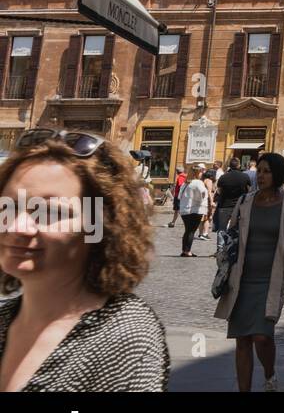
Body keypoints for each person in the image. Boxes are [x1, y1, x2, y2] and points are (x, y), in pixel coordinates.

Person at [0, 133, 168, 391]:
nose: (18, 226)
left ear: (99, 226)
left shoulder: (124, 335)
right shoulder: (4, 319)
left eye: (49, 211)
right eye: (7, 207)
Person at [215, 153, 284, 392]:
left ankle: (269, 372)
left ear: (278, 175)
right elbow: (230, 234)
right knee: (242, 340)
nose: (261, 176)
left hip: (271, 279)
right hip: (241, 278)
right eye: (260, 171)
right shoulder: (245, 202)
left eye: (267, 171)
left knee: (262, 337)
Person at [178, 164, 209, 257]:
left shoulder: (185, 183)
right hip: (195, 209)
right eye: (200, 172)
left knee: (187, 230)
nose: (202, 174)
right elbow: (203, 192)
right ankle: (187, 251)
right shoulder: (198, 182)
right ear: (197, 173)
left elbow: (179, 196)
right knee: (191, 231)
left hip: (184, 209)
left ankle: (184, 250)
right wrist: (201, 199)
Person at [214, 159, 248, 235]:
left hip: (225, 205)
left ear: (230, 166)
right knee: (238, 227)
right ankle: (235, 244)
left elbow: (219, 191)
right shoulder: (245, 177)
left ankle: (221, 246)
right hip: (240, 206)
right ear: (239, 165)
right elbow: (249, 190)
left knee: (222, 228)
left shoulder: (223, 177)